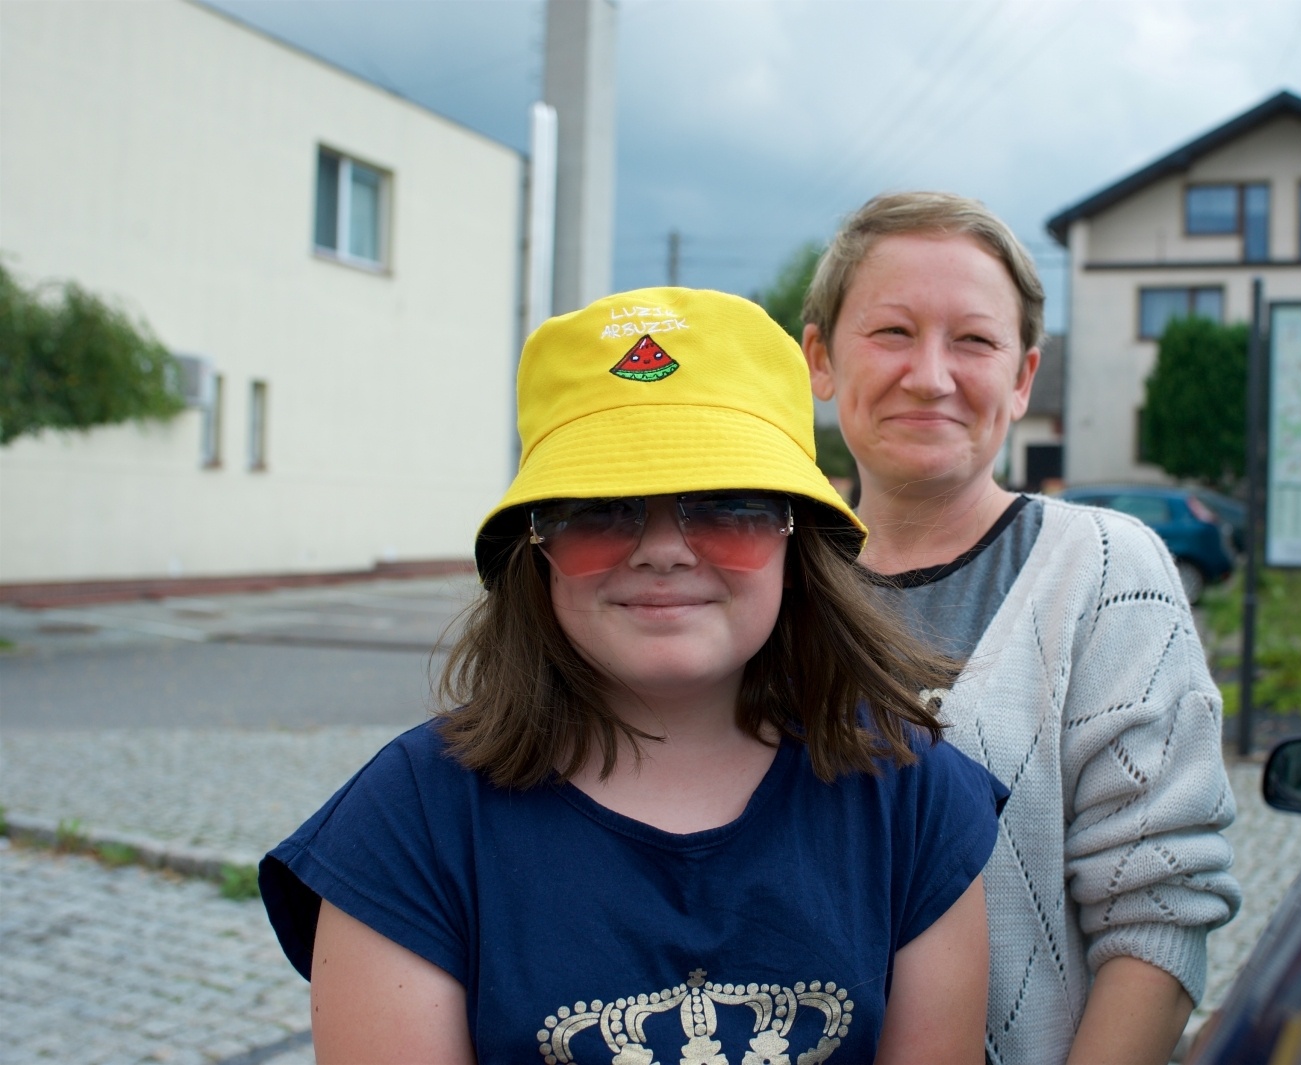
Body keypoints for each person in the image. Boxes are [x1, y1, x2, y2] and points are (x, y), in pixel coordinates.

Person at [259, 287, 1006, 1065]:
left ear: (798, 538)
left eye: (725, 504)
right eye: (601, 507)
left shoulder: (912, 800)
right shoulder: (407, 823)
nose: (663, 550)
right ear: (534, 548)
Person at [801, 192, 1242, 1065]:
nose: (931, 375)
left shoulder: (1105, 572)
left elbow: (1160, 907)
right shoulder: (769, 584)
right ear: (819, 358)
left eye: (974, 340)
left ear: (1023, 376)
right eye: (892, 332)